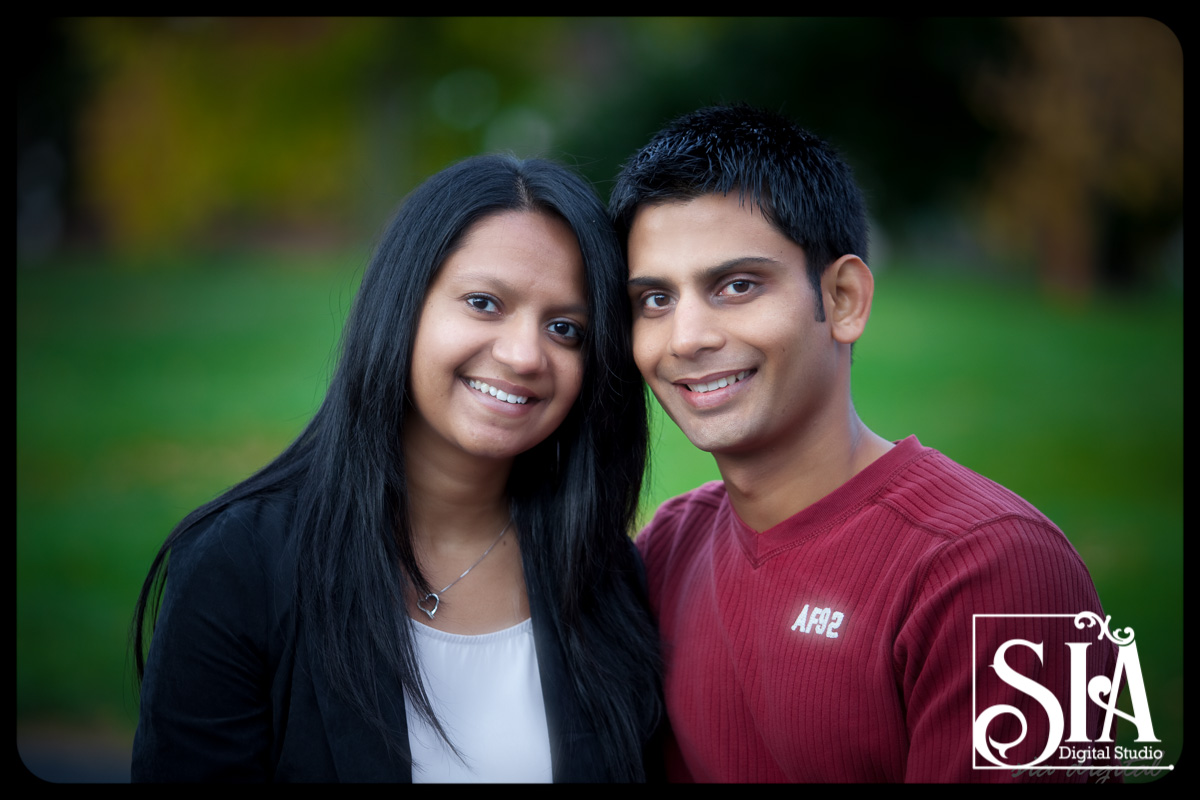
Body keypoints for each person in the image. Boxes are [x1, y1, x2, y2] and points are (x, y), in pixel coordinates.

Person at [609, 105, 1119, 782]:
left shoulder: (1001, 573)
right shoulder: (670, 547)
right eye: (654, 300)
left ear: (844, 298)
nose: (687, 338)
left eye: (736, 286)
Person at [131, 154, 662, 782]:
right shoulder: (239, 564)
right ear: (403, 305)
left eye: (566, 329)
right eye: (484, 302)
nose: (524, 355)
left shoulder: (603, 572)